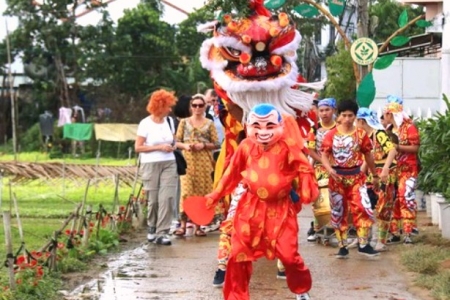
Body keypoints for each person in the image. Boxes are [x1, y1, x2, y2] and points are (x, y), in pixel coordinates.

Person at [202, 103, 318, 300]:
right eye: (257, 126)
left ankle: (301, 290)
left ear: (280, 126)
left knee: (289, 256)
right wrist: (214, 196)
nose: (263, 131)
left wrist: (307, 186)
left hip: (281, 209)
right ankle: (236, 296)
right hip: (250, 208)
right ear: (248, 126)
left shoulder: (287, 145)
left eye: (270, 126)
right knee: (238, 253)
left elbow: (304, 166)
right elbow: (230, 175)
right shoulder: (245, 146)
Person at [320, 100, 380, 258]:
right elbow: (324, 155)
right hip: (337, 178)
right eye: (344, 115)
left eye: (350, 115)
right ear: (338, 116)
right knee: (338, 212)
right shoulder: (331, 135)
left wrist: (374, 175)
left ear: (355, 116)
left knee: (363, 208)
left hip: (357, 178)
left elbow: (368, 155)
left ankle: (363, 244)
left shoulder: (361, 135)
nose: (347, 119)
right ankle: (342, 246)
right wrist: (329, 169)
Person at [135, 89, 179, 246]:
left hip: (169, 162)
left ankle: (163, 232)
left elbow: (173, 141)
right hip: (150, 164)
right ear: (160, 106)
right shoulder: (145, 123)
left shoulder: (169, 122)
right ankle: (152, 227)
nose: (170, 109)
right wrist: (159, 147)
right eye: (168, 105)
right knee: (153, 200)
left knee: (167, 198)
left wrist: (173, 146)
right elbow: (138, 147)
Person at [174, 94, 220, 237]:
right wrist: (186, 146)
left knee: (201, 193)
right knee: (186, 192)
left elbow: (217, 143)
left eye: (200, 105)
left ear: (205, 107)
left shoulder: (209, 123)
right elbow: (176, 141)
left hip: (204, 162)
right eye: (195, 105)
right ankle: (182, 225)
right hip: (187, 161)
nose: (197, 108)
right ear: (191, 107)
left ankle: (198, 226)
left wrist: (204, 145)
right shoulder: (184, 122)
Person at [356, 107, 397, 252]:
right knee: (365, 205)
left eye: (356, 121)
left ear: (362, 121)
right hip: (371, 174)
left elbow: (392, 150)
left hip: (385, 173)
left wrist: (385, 169)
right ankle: (363, 239)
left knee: (383, 207)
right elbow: (368, 157)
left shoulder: (379, 133)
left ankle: (381, 241)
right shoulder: (363, 137)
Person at [383, 102, 420, 245]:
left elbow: (415, 148)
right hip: (393, 170)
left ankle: (408, 232)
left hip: (408, 169)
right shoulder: (389, 130)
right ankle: (395, 232)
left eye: (385, 114)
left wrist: (398, 147)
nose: (384, 117)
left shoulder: (409, 128)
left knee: (406, 197)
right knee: (393, 200)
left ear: (390, 114)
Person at [305, 98, 337, 242]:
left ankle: (339, 228)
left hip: (338, 167)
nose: (324, 113)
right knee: (319, 198)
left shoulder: (340, 127)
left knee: (337, 198)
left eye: (327, 110)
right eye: (321, 110)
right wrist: (323, 161)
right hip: (320, 168)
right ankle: (318, 227)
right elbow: (310, 150)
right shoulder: (314, 128)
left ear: (334, 110)